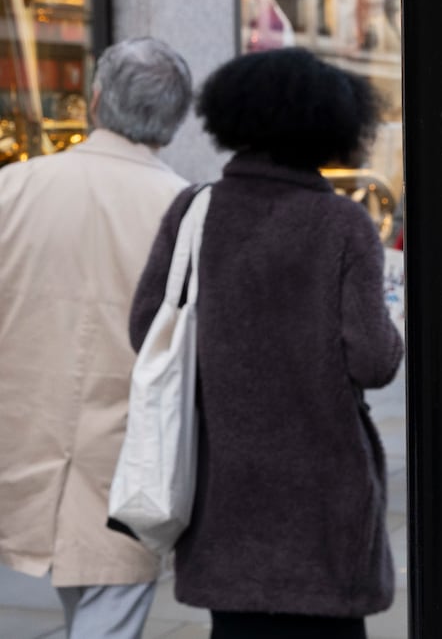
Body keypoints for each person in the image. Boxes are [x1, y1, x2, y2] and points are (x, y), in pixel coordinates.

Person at [131, 48, 402, 639]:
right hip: (322, 493)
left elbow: (146, 331)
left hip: (223, 487)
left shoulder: (195, 211)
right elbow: (374, 361)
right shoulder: (342, 225)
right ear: (330, 127)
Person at [0, 38, 193, 639]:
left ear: (96, 99)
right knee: (109, 616)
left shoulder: (15, 187)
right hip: (131, 457)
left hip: (20, 437)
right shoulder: (184, 208)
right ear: (175, 119)